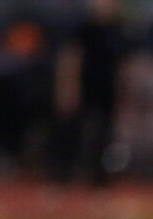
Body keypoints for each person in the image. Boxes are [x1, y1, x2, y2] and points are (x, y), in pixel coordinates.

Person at [52, 0, 127, 186]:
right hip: (84, 86)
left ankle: (99, 176)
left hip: (106, 88)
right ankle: (63, 173)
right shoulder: (82, 27)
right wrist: (68, 87)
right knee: (73, 130)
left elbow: (122, 65)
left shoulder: (118, 30)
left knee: (104, 132)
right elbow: (70, 57)